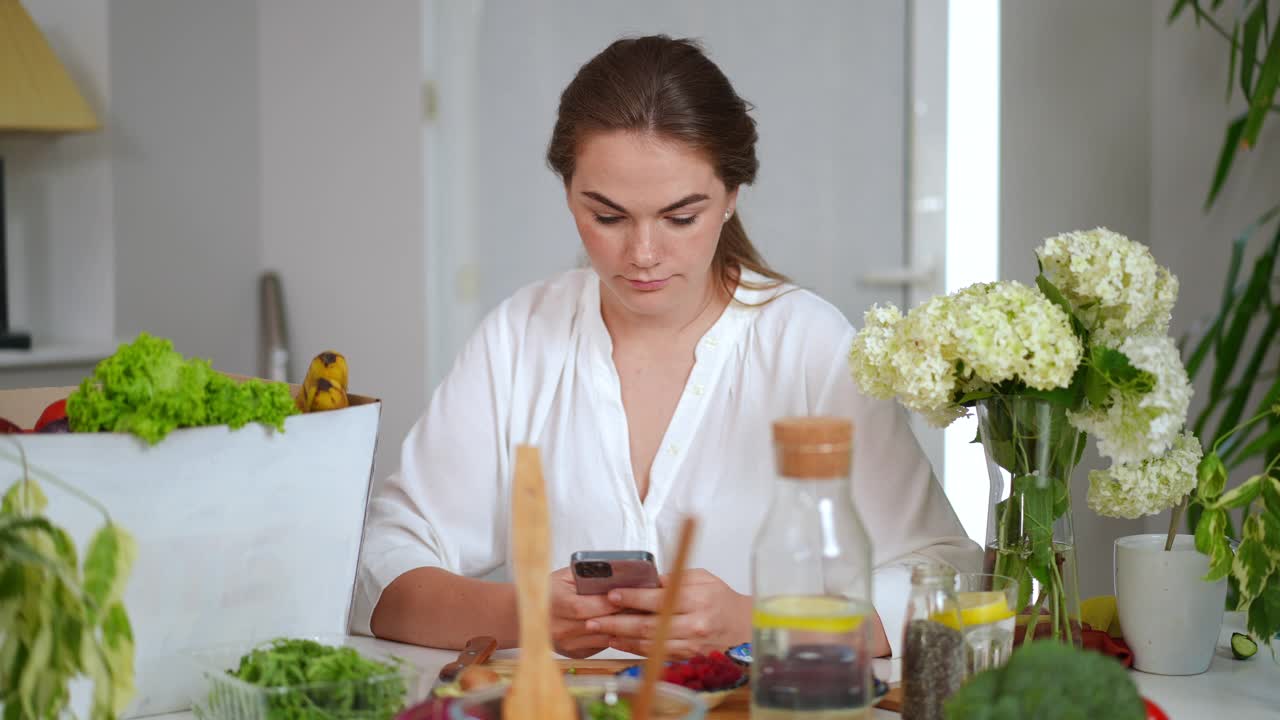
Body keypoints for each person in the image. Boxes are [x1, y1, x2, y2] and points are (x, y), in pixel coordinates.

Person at [352, 35, 978, 660]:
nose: (643, 254)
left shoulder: (807, 346)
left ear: (732, 196)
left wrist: (760, 623)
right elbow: (378, 569)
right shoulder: (520, 337)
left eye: (680, 217)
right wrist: (525, 613)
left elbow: (950, 581)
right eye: (607, 216)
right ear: (569, 193)